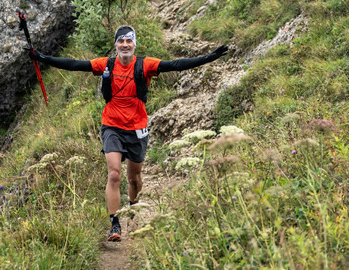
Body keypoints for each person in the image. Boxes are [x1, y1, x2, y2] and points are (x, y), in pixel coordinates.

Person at [25, 25, 228, 241]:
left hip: (137, 127)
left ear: (134, 44)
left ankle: (133, 211)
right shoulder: (106, 64)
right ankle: (115, 225)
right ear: (116, 45)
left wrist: (208, 58)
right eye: (120, 41)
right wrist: (43, 58)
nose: (124, 45)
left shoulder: (145, 64)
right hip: (111, 125)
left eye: (128, 41)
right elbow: (75, 65)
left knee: (134, 179)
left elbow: (175, 65)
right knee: (114, 174)